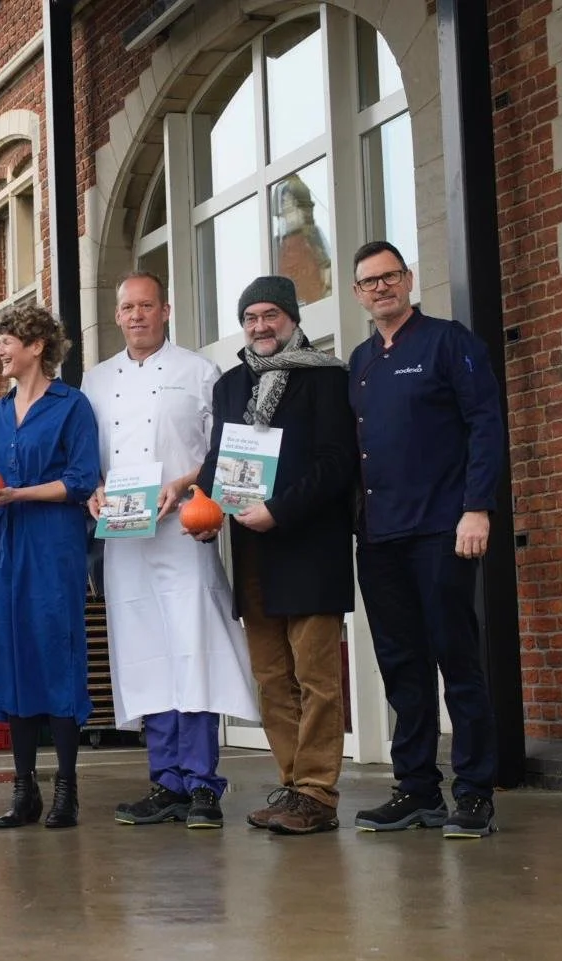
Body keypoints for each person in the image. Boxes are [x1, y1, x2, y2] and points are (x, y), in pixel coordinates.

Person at [82, 272, 257, 831]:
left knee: (194, 648)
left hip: (185, 530)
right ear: (117, 316)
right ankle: (166, 781)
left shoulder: (199, 371)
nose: (136, 315)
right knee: (144, 654)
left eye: (147, 306)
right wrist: (95, 491)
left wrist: (185, 486)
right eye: (127, 307)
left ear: (166, 310)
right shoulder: (96, 379)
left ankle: (203, 782)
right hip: (125, 537)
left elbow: (224, 452)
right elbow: (91, 458)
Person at [347, 241, 504, 839]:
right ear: (359, 294)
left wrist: (477, 508)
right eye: (369, 282)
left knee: (457, 661)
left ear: (408, 279)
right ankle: (416, 790)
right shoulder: (360, 360)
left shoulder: (448, 342)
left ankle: (473, 793)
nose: (381, 288)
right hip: (379, 538)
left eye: (390, 277)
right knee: (401, 668)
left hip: (443, 528)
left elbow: (485, 424)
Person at [192, 276, 356, 834]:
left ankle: (317, 791)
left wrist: (279, 511)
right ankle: (292, 786)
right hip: (255, 553)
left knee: (316, 678)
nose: (260, 326)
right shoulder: (232, 384)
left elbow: (338, 464)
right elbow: (220, 461)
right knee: (271, 679)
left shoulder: (328, 377)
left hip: (309, 547)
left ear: (292, 317)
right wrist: (203, 507)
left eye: (270, 315)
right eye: (250, 317)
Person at [0, 303, 99, 831]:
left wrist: (19, 492)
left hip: (52, 546)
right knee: (10, 652)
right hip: (2, 546)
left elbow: (82, 479)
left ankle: (66, 788)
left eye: (7, 341)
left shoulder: (73, 406)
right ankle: (24, 789)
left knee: (55, 653)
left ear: (37, 346)